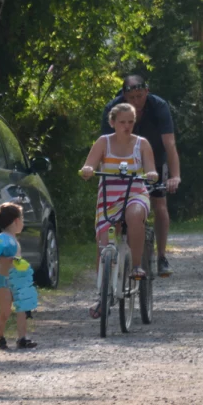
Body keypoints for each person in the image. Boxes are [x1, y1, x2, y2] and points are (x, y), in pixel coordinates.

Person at [81, 102, 158, 317]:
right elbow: (90, 166)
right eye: (122, 122)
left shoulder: (141, 144)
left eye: (131, 122)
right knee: (103, 244)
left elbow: (151, 169)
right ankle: (102, 296)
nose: (126, 126)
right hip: (108, 196)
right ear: (112, 122)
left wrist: (151, 174)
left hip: (135, 193)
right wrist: (88, 170)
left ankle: (136, 266)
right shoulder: (103, 142)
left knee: (134, 215)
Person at [101, 75, 180, 276]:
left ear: (147, 91)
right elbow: (104, 145)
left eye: (141, 95)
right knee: (115, 209)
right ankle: (113, 253)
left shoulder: (158, 106)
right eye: (132, 97)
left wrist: (175, 176)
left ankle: (161, 256)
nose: (137, 101)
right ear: (124, 95)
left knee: (160, 204)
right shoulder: (114, 108)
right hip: (124, 161)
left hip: (154, 158)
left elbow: (169, 144)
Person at [0, 202, 38, 349]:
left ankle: (22, 338)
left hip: (17, 281)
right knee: (5, 311)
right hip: (4, 281)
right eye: (22, 219)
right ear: (16, 221)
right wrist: (13, 260)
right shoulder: (2, 240)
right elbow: (0, 260)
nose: (22, 222)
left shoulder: (14, 240)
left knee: (21, 310)